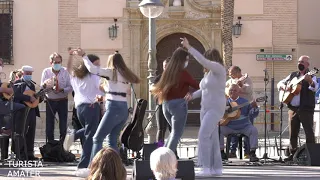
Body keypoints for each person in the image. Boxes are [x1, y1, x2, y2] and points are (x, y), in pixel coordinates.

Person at [82, 51, 140, 163]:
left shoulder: (111, 72)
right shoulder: (125, 74)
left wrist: (84, 56)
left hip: (113, 108)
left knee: (97, 138)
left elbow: (92, 69)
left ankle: (93, 168)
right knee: (112, 139)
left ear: (111, 62)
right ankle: (115, 167)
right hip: (123, 108)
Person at [181, 37, 225, 176]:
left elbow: (204, 61)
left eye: (207, 60)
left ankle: (205, 168)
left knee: (203, 135)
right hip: (205, 108)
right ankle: (216, 169)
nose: (203, 64)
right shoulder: (208, 75)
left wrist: (189, 47)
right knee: (212, 138)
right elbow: (204, 90)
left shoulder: (218, 69)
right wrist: (191, 96)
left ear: (211, 59)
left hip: (215, 108)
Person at [151, 47, 199, 153]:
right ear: (182, 60)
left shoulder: (167, 73)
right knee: (176, 133)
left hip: (165, 105)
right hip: (178, 104)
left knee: (170, 132)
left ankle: (163, 154)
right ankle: (168, 157)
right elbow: (197, 85)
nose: (187, 62)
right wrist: (191, 92)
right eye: (186, 59)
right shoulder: (182, 73)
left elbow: (156, 87)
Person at [66, 49, 103, 177]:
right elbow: (102, 89)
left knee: (90, 131)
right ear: (90, 65)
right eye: (96, 64)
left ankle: (74, 135)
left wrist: (70, 56)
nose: (98, 67)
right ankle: (83, 166)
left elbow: (68, 68)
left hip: (80, 108)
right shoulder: (94, 76)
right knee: (89, 139)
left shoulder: (76, 75)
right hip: (91, 107)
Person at [277, 55, 318, 161]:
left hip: (306, 109)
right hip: (293, 109)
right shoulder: (293, 75)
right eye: (299, 61)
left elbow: (314, 88)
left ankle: (311, 155)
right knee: (292, 133)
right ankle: (293, 154)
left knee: (309, 132)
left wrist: (310, 81)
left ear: (307, 65)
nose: (300, 63)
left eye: (303, 62)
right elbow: (280, 83)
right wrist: (285, 87)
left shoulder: (311, 75)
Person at [219, 84, 260, 162]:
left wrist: (255, 107)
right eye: (231, 90)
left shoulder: (245, 102)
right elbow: (218, 113)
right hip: (229, 127)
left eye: (235, 90)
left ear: (239, 92)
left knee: (253, 130)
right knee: (218, 130)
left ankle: (252, 152)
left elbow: (253, 114)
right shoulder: (224, 102)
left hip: (244, 127)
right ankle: (221, 152)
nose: (232, 92)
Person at [41, 52, 72, 142]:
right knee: (49, 125)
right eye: (55, 62)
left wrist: (62, 90)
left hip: (63, 100)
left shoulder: (66, 71)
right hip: (50, 101)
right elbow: (42, 87)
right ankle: (50, 145)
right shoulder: (46, 72)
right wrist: (47, 85)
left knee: (63, 125)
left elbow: (70, 87)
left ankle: (62, 146)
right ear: (51, 63)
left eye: (59, 62)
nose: (57, 64)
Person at [226, 66, 255, 158]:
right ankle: (232, 151)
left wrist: (241, 86)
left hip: (246, 108)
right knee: (233, 129)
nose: (230, 76)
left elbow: (249, 90)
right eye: (229, 74)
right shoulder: (230, 81)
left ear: (238, 72)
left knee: (247, 128)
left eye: (232, 74)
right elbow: (225, 89)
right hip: (233, 108)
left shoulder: (247, 79)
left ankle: (247, 152)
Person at [13, 65, 40, 160]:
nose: (29, 75)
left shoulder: (32, 84)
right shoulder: (17, 83)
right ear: (23, 73)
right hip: (22, 110)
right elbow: (16, 96)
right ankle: (20, 153)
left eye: (30, 74)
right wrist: (28, 98)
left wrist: (39, 98)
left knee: (31, 131)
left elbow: (34, 97)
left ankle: (30, 153)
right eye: (27, 74)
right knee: (22, 131)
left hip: (32, 110)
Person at [152, 57, 172, 143]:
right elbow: (152, 87)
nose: (165, 68)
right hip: (160, 106)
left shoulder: (175, 78)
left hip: (172, 106)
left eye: (167, 66)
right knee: (161, 129)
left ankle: (173, 151)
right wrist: (159, 91)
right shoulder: (159, 78)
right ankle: (159, 149)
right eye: (164, 66)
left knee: (173, 130)